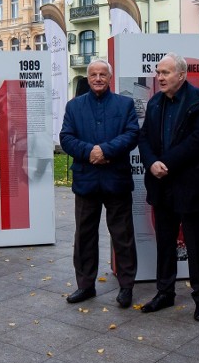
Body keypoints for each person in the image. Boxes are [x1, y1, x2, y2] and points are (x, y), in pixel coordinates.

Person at [137, 53, 199, 321]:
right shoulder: (156, 102)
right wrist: (151, 163)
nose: (159, 77)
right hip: (161, 185)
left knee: (195, 245)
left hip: (191, 185)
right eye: (158, 72)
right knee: (165, 243)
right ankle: (164, 292)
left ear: (181, 75)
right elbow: (144, 137)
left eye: (165, 73)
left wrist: (164, 162)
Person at [59, 60, 139, 308]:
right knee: (84, 235)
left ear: (110, 77)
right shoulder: (74, 106)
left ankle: (126, 287)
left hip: (116, 180)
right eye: (93, 74)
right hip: (86, 181)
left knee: (122, 236)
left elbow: (132, 134)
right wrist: (89, 152)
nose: (97, 78)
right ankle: (85, 285)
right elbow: (66, 138)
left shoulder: (124, 104)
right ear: (88, 77)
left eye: (102, 74)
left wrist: (104, 151)